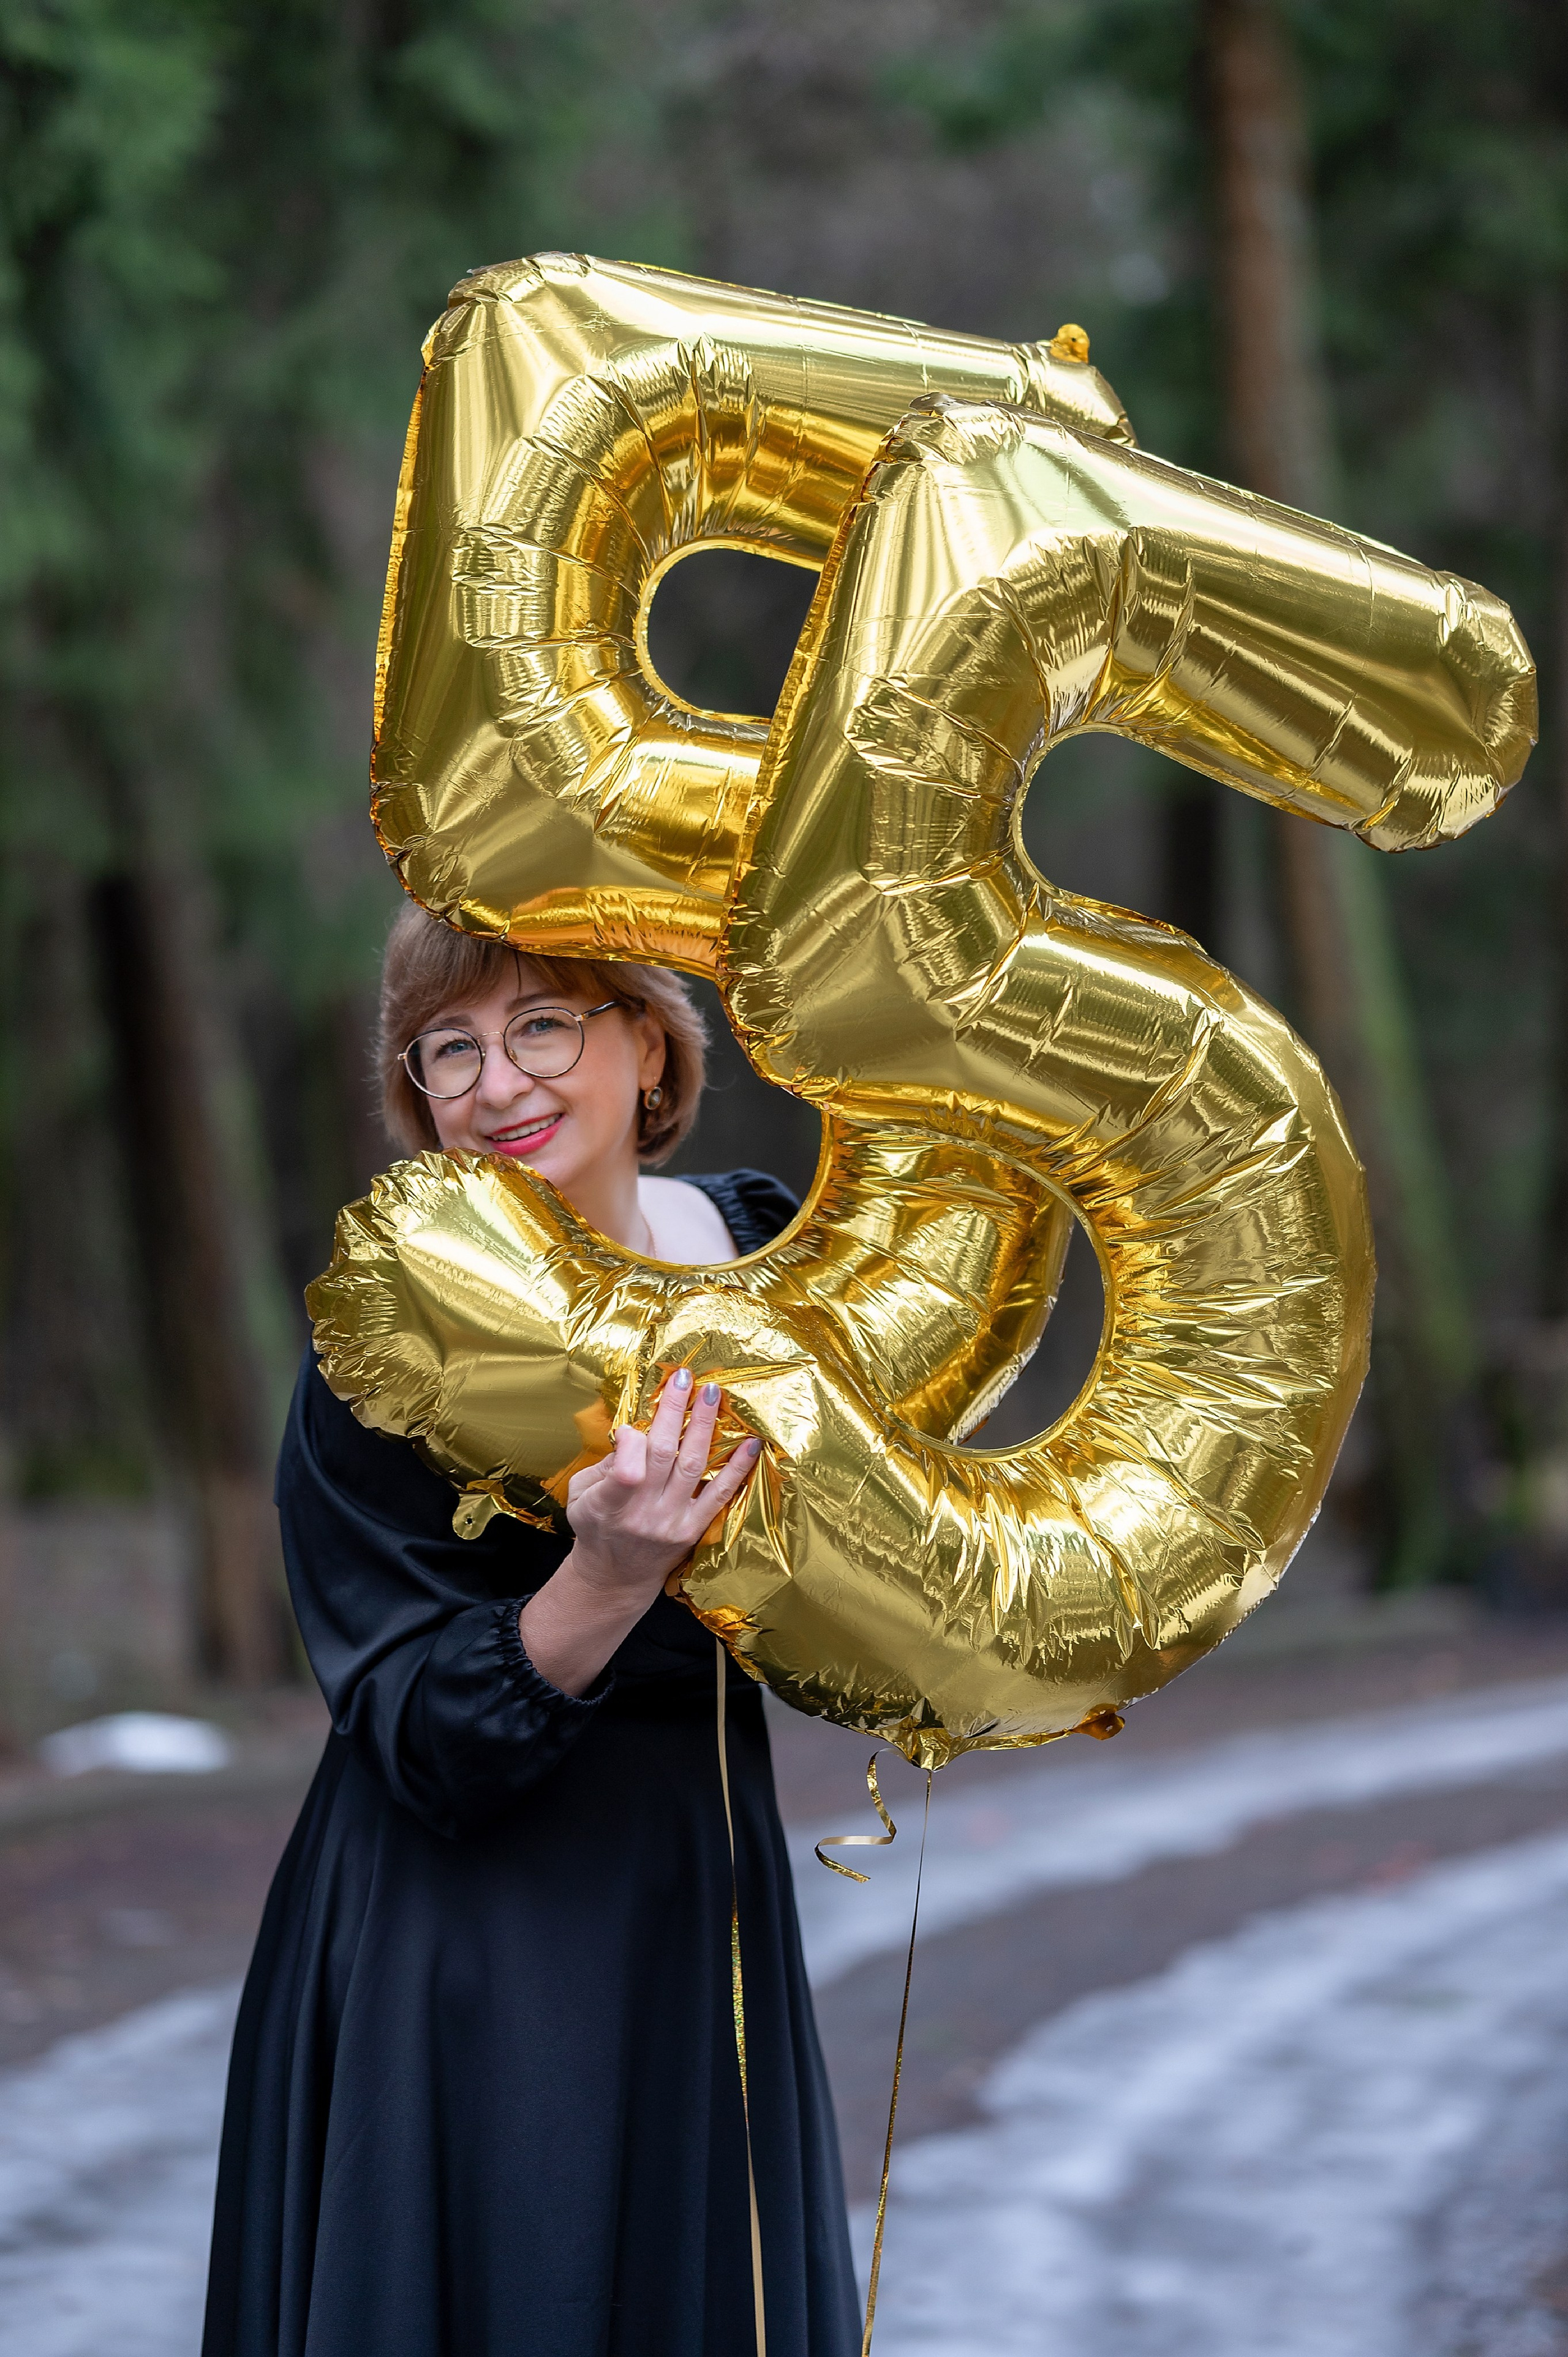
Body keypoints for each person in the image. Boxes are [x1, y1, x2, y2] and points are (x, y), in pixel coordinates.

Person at [202, 903, 861, 2357]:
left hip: (697, 1888)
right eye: (449, 1048)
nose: (497, 1082)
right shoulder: (388, 1341)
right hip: (465, 1955)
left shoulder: (765, 1253)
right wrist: (608, 1572)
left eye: (542, 1023)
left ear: (645, 1041)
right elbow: (415, 1731)